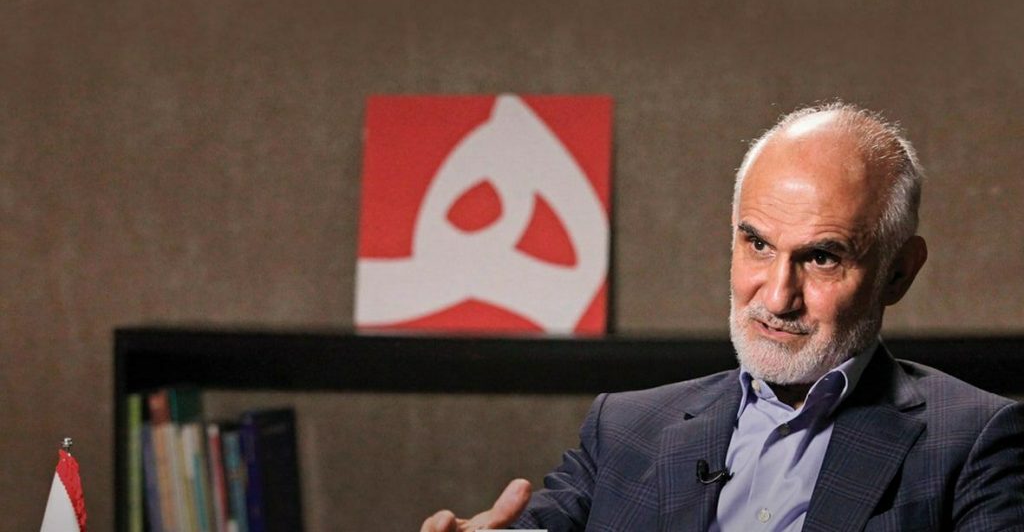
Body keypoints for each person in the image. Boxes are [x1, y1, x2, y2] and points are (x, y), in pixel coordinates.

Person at [421, 103, 1024, 532]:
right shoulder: (624, 428)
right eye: (757, 244)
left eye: (821, 257)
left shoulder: (975, 442)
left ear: (899, 272)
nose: (777, 296)